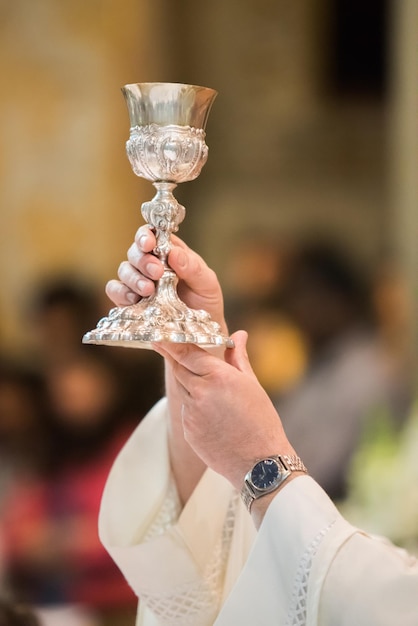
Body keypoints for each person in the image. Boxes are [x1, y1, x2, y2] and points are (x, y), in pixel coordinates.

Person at [99, 225, 418, 626]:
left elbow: (377, 601)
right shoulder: (316, 367)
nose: (298, 309)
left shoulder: (367, 372)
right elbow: (215, 548)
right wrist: (196, 351)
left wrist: (262, 460)